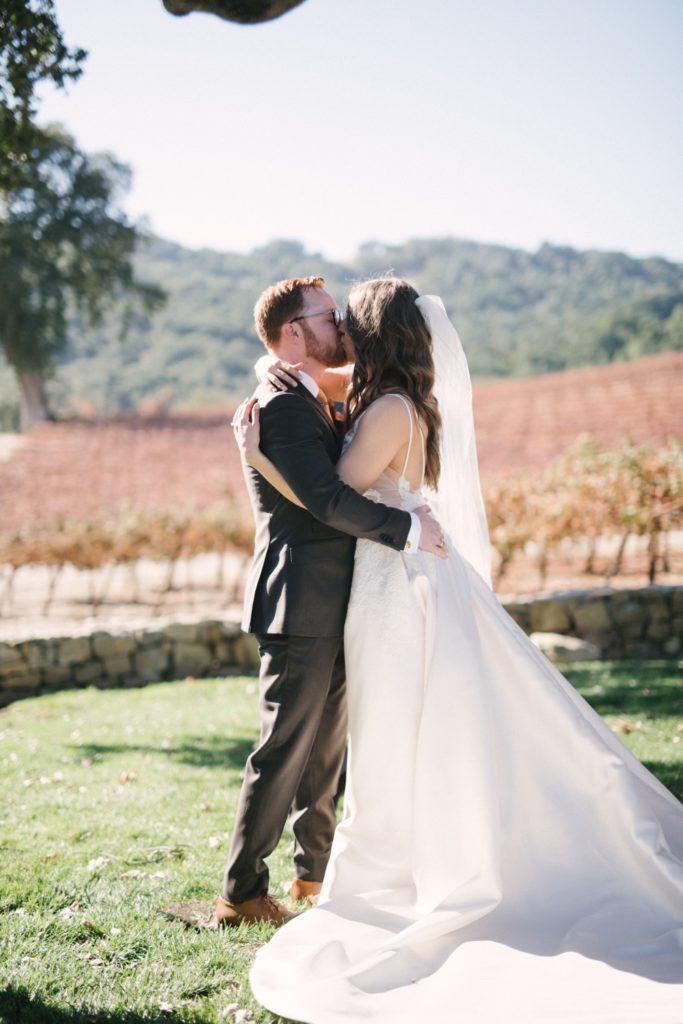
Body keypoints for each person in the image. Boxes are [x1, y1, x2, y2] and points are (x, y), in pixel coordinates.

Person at [232, 278, 683, 1023]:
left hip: (393, 583)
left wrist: (259, 458)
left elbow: (333, 497)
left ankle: (386, 862)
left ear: (373, 332)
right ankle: (341, 865)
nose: (340, 326)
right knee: (393, 727)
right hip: (389, 578)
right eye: (329, 317)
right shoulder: (391, 400)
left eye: (348, 318)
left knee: (394, 727)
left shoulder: (386, 408)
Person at [213, 276, 445, 929]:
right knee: (285, 747)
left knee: (324, 752)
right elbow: (326, 499)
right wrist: (406, 529)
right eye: (327, 316)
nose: (341, 324)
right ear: (294, 332)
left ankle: (312, 873)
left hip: (340, 597)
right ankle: (240, 892)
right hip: (299, 598)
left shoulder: (315, 391)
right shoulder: (283, 405)